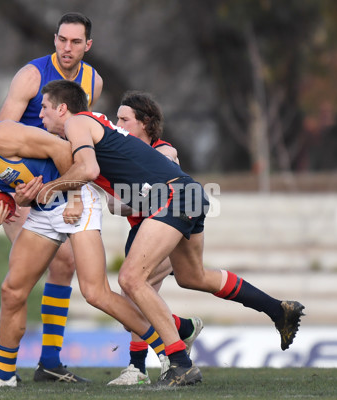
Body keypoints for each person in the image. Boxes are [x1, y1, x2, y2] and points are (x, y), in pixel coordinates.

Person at [37, 80, 306, 387]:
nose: (40, 115)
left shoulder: (77, 122)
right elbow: (94, 177)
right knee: (192, 276)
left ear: (62, 108)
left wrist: (49, 189)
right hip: (186, 195)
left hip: (172, 197)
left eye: (44, 108)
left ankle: (179, 362)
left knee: (131, 280)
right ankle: (278, 309)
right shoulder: (87, 131)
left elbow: (87, 169)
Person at [0, 114, 185, 388]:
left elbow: (63, 149)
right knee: (12, 290)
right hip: (43, 210)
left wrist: (74, 197)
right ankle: (2, 374)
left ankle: (167, 350)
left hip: (75, 201)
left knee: (95, 293)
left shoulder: (1, 137)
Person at [0, 11, 104, 383]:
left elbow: (76, 138)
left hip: (58, 187)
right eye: (61, 40)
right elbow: (1, 136)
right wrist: (14, 190)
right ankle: (2, 364)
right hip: (21, 189)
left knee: (64, 264)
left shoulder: (92, 80)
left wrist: (71, 190)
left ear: (88, 45)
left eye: (75, 42)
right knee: (23, 279)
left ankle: (48, 362)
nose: (66, 48)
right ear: (54, 39)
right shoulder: (32, 76)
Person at [106, 91, 202, 386]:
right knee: (130, 308)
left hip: (163, 229)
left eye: (123, 119)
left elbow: (165, 176)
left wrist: (136, 198)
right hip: (140, 230)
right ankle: (182, 329)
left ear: (145, 123)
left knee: (136, 294)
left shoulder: (163, 150)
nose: (116, 123)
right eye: (116, 118)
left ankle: (159, 361)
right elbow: (113, 205)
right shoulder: (120, 154)